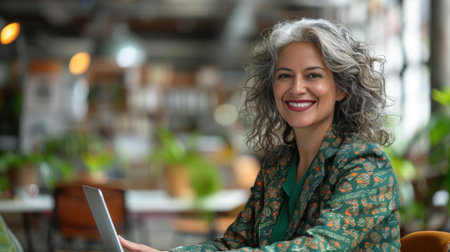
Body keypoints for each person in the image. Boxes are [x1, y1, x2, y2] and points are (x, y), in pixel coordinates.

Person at [119, 18, 401, 251]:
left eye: (313, 75)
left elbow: (319, 247)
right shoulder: (278, 164)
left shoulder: (366, 165)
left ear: (341, 88)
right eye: (284, 75)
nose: (296, 88)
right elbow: (236, 242)